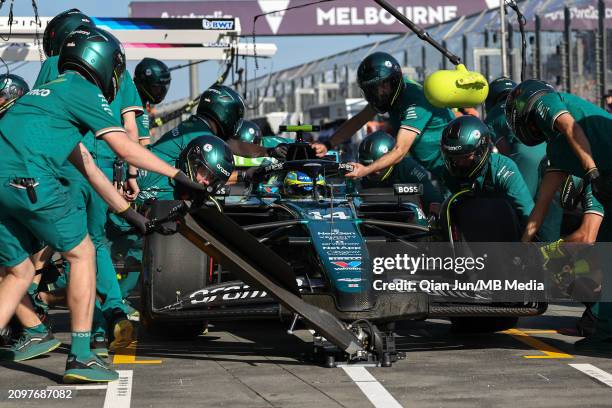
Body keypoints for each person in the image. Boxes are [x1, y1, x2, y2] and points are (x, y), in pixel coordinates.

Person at [0, 26, 205, 383]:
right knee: (83, 253)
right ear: (103, 62)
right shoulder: (81, 88)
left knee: (19, 272)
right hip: (30, 178)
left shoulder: (43, 98)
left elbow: (89, 168)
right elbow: (125, 148)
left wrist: (132, 216)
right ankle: (81, 355)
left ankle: (34, 331)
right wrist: (179, 175)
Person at [507, 79, 612, 352]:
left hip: (603, 176)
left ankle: (604, 333)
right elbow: (541, 203)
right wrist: (524, 248)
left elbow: (569, 126)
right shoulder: (556, 150)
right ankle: (605, 335)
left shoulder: (545, 100)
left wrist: (591, 172)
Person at [310, 52, 455, 180]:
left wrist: (365, 170)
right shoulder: (389, 95)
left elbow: (399, 151)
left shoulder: (414, 102)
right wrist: (327, 144)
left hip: (452, 167)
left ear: (392, 82)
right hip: (436, 169)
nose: (375, 94)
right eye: (370, 89)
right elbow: (358, 120)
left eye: (377, 88)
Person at [485, 77, 563, 242]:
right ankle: (553, 251)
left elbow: (506, 154)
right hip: (553, 152)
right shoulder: (525, 102)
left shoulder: (492, 116)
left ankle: (523, 249)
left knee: (520, 206)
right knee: (550, 207)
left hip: (524, 154)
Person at [440, 115, 534, 226]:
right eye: (454, 157)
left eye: (465, 157)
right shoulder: (449, 172)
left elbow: (527, 213)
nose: (459, 163)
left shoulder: (503, 168)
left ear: (481, 150)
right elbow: (447, 205)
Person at [357, 131, 442, 215]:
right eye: (366, 165)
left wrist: (434, 215)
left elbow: (432, 196)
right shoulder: (358, 175)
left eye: (376, 165)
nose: (371, 171)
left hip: (409, 222)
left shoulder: (408, 167)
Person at [133, 57, 171, 146]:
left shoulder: (135, 99)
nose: (160, 92)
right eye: (156, 88)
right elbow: (144, 147)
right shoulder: (138, 108)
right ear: (144, 83)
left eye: (163, 88)